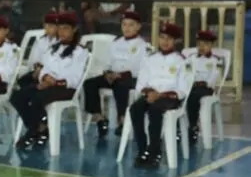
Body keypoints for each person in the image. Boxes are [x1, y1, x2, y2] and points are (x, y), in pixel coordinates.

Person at [10, 12, 89, 149]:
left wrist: (55, 82)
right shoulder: (54, 48)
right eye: (60, 28)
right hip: (48, 84)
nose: (61, 32)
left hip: (65, 88)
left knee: (36, 99)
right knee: (17, 96)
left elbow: (75, 77)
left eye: (65, 28)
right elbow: (45, 68)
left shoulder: (80, 52)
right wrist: (45, 78)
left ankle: (32, 132)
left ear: (74, 29)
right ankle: (40, 128)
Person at [83, 11, 150, 137]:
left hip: (132, 78)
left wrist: (119, 75)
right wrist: (108, 73)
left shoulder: (142, 45)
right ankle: (99, 118)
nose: (127, 28)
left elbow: (139, 68)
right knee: (89, 83)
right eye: (124, 25)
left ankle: (122, 120)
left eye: (131, 25)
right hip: (113, 76)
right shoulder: (115, 43)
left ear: (138, 27)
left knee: (121, 84)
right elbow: (107, 62)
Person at [130, 23, 188, 168]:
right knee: (135, 108)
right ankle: (143, 149)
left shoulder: (182, 61)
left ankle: (155, 151)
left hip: (169, 98)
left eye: (169, 38)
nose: (165, 41)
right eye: (162, 37)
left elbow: (182, 89)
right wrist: (149, 93)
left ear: (176, 41)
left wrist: (160, 95)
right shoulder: (150, 58)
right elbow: (141, 84)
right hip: (151, 94)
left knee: (154, 110)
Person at [186, 30, 222, 143]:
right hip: (191, 86)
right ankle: (180, 127)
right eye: (199, 44)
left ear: (211, 45)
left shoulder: (215, 61)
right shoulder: (191, 58)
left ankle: (192, 126)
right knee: (184, 96)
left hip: (205, 88)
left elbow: (214, 76)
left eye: (205, 44)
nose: (201, 47)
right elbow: (186, 72)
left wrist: (206, 83)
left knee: (193, 97)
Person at [17, 12, 59, 88]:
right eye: (46, 26)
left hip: (50, 75)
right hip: (36, 71)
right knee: (21, 82)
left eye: (51, 26)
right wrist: (37, 68)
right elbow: (34, 59)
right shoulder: (41, 41)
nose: (47, 28)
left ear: (57, 27)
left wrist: (42, 70)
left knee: (30, 88)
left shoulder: (60, 42)